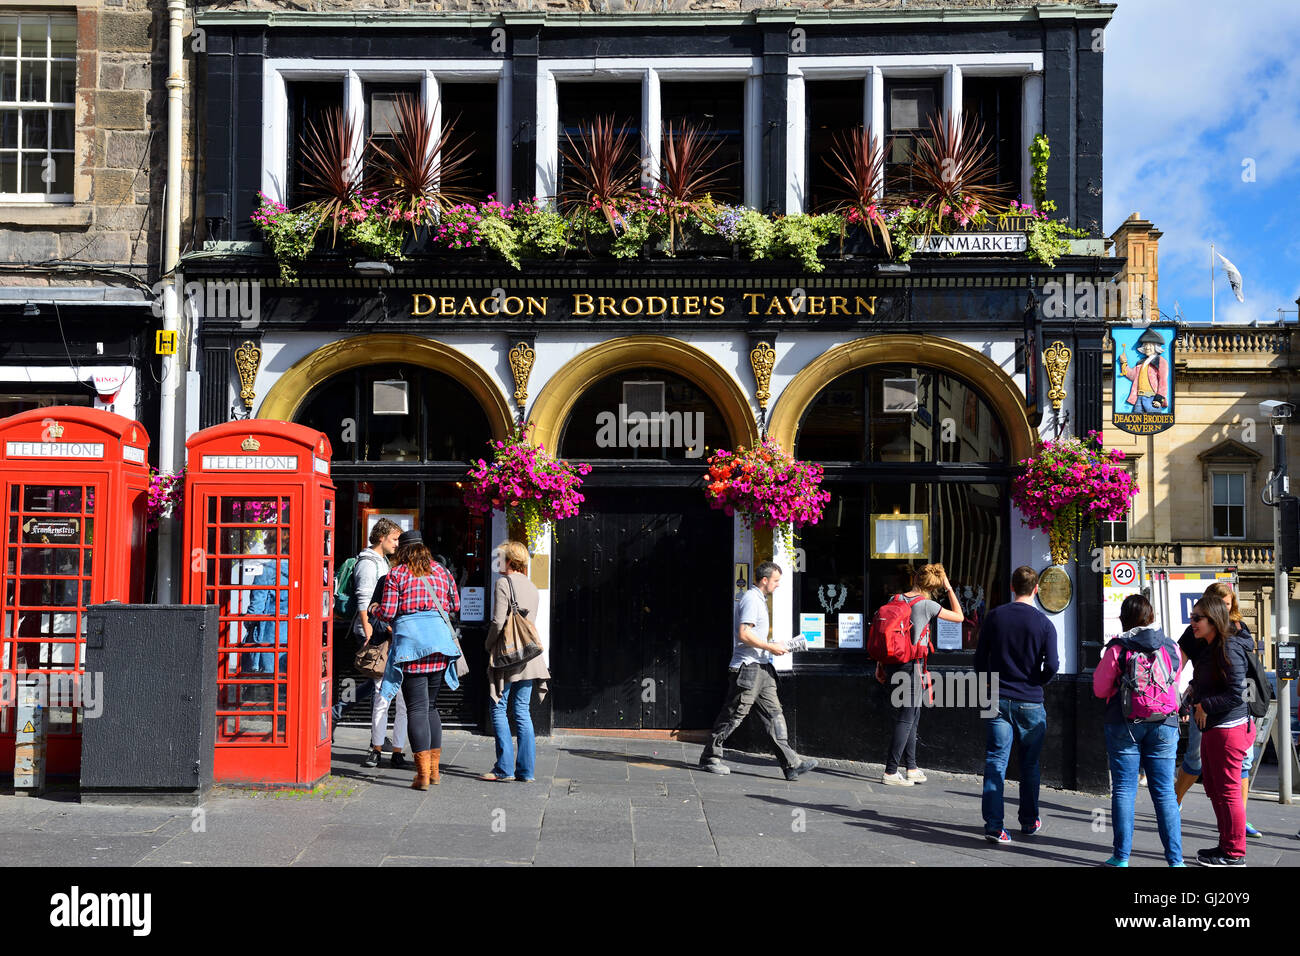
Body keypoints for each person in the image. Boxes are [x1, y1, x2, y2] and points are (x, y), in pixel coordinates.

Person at [699, 561, 819, 780]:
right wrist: (770, 646)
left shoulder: (759, 600)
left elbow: (753, 636)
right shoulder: (751, 599)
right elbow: (744, 634)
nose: (778, 585)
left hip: (762, 668)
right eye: (776, 581)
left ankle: (792, 764)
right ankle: (710, 757)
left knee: (775, 716)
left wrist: (773, 644)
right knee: (734, 714)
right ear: (765, 580)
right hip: (748, 668)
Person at [1092, 594, 1185, 867]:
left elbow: (1099, 689)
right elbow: (1173, 682)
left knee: (1123, 789)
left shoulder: (1118, 649)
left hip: (1124, 724)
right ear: (1151, 616)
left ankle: (1121, 858)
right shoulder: (1171, 647)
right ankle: (1176, 861)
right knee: (1165, 792)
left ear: (1124, 618)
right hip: (1164, 724)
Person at [372, 529, 462, 790]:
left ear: (402, 551)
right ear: (424, 548)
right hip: (438, 646)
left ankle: (421, 775)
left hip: (411, 648)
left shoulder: (396, 574)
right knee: (431, 706)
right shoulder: (442, 572)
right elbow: (454, 604)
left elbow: (388, 612)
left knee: (417, 709)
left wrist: (375, 610)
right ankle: (433, 771)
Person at [975, 565, 1059, 845]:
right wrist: (1038, 680)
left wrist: (987, 682)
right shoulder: (1045, 623)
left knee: (995, 761)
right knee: (1030, 765)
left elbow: (979, 659)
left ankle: (993, 825)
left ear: (1012, 587)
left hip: (995, 696)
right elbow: (1054, 665)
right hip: (1031, 700)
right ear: (1036, 589)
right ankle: (1028, 820)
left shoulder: (995, 617)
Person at [1175, 581, 1261, 837]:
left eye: (1229, 603)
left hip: (1234, 708)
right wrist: (1179, 694)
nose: (1225, 607)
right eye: (1220, 603)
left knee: (1243, 763)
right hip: (1205, 706)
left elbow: (1244, 672)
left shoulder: (1239, 630)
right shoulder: (1195, 630)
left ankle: (1239, 821)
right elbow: (1179, 664)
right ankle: (1174, 802)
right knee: (1196, 760)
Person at [879, 563, 964, 787]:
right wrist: (948, 588)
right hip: (912, 666)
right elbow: (959, 616)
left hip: (893, 664)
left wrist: (879, 665)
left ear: (916, 579)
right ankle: (890, 771)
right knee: (906, 718)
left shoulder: (894, 599)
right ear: (933, 587)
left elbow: (886, 635)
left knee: (912, 716)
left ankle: (912, 768)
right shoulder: (927, 605)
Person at [480, 540, 551, 783]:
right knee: (522, 711)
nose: (498, 562)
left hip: (507, 656)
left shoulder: (503, 583)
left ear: (511, 560)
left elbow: (499, 622)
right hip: (528, 657)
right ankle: (526, 771)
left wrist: (489, 645)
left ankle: (504, 769)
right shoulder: (531, 586)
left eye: (500, 558)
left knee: (498, 706)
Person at [354, 519, 404, 769]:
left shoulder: (384, 564)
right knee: (381, 692)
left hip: (391, 635)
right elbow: (364, 600)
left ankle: (393, 748)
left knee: (393, 695)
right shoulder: (368, 563)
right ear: (381, 537)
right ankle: (376, 748)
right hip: (378, 635)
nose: (396, 543)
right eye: (394, 539)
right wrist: (369, 630)